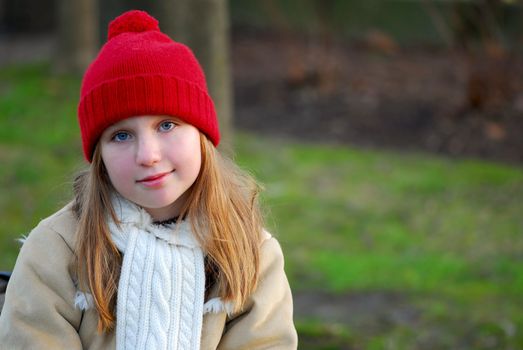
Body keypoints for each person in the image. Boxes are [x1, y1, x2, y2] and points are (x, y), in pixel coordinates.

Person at [0, 10, 297, 349]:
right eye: (122, 136)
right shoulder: (57, 249)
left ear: (201, 134)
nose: (148, 155)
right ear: (100, 157)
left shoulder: (250, 252)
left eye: (167, 125)